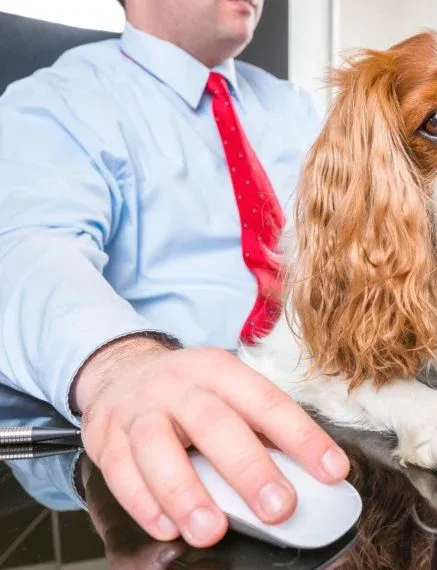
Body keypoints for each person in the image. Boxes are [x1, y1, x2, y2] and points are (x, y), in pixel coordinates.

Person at [0, 0, 350, 549]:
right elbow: (25, 248)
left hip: (334, 399)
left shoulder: (296, 108)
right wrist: (119, 365)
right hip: (181, 432)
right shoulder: (58, 101)